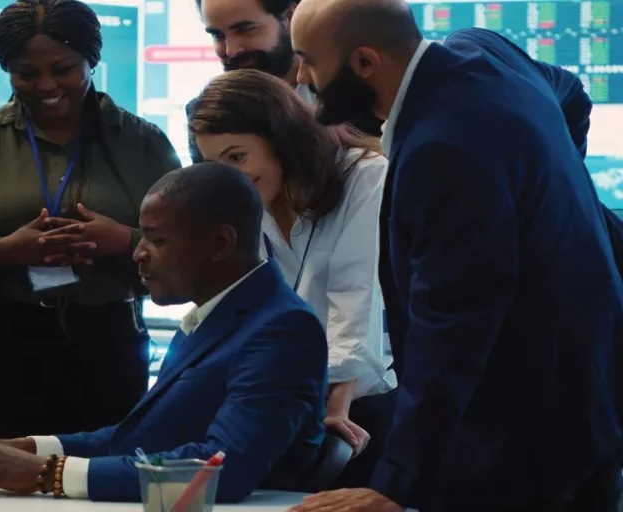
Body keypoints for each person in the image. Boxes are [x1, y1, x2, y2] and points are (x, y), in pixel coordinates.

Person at [287, 0, 623, 509]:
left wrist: (393, 486)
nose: (301, 77)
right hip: (591, 392)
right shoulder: (483, 50)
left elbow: (448, 332)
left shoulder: (442, 150)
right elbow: (571, 94)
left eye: (309, 61)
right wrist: (552, 204)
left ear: (364, 62)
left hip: (531, 443)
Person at [0, 162, 328, 503]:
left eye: (156, 240)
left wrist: (49, 474)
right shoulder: (217, 317)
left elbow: (224, 469)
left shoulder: (282, 329)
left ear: (220, 243)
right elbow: (137, 439)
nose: (138, 253)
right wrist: (27, 448)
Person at [0, 0, 182, 441]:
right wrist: (3, 251)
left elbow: (186, 248)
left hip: (106, 343)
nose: (46, 85)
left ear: (91, 61)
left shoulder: (144, 144)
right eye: (26, 73)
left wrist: (124, 240)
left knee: (97, 475)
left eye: (63, 69)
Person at [188, 68, 395, 488]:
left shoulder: (365, 175)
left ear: (281, 140)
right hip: (282, 398)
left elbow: (354, 301)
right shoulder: (245, 200)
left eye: (237, 157)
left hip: (357, 404)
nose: (230, 177)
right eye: (214, 164)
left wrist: (336, 407)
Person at [188, 0, 383, 164]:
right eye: (217, 35)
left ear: (290, 16)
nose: (231, 50)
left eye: (245, 30)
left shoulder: (357, 95)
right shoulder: (208, 116)